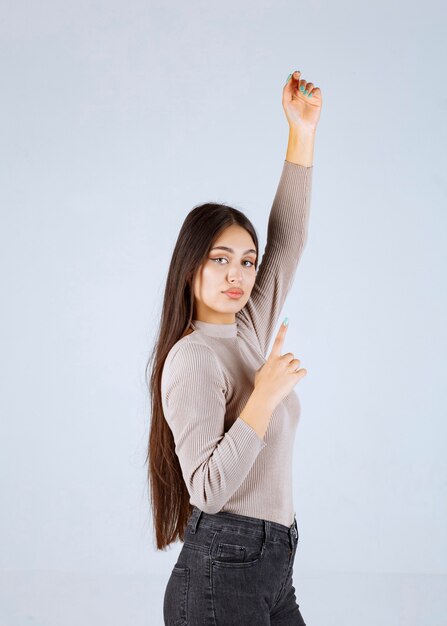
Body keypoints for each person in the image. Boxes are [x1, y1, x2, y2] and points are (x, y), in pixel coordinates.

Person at [146, 69, 322, 625]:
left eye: (246, 260)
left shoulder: (245, 331)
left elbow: (287, 244)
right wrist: (262, 398)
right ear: (190, 266)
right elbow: (208, 489)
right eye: (220, 258)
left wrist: (301, 132)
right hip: (224, 572)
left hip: (273, 565)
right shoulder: (192, 356)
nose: (238, 273)